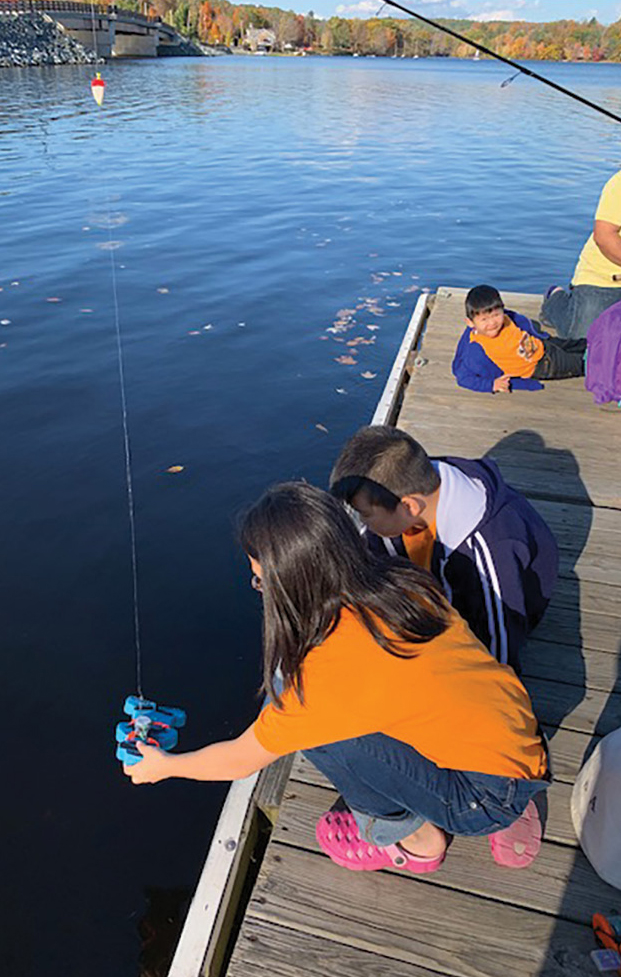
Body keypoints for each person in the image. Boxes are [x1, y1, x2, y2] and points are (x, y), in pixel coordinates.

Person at [125, 482, 550, 873]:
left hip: (483, 797)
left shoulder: (320, 683)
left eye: (259, 580)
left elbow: (241, 758)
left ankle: (412, 839)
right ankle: (505, 795)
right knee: (302, 701)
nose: (255, 585)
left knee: (315, 731)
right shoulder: (404, 583)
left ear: (292, 583)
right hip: (518, 737)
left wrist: (164, 766)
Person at [330, 425, 558, 669]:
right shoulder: (412, 488)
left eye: (364, 514)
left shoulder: (492, 549)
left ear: (409, 507)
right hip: (441, 590)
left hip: (500, 613)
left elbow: (500, 653)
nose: (362, 524)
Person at [452, 285, 586, 394]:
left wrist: (540, 336)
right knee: (582, 364)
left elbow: (524, 326)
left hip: (543, 345)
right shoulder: (475, 348)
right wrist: (491, 384)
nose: (492, 322)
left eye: (496, 315)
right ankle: (604, 361)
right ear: (470, 323)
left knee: (578, 344)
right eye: (484, 319)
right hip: (542, 366)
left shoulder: (508, 318)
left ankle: (601, 344)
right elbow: (463, 378)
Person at [540, 170, 621, 339]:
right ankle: (555, 300)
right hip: (604, 278)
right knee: (585, 342)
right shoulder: (618, 183)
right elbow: (604, 236)